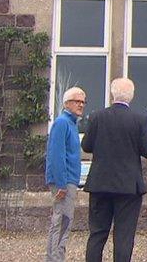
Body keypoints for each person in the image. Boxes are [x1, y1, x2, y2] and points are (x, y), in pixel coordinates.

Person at [83, 77, 147, 262]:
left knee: (97, 234)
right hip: (128, 186)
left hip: (100, 183)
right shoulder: (139, 120)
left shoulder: (96, 116)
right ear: (132, 96)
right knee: (123, 236)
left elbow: (86, 146)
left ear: (112, 94)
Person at [45, 87, 86, 262]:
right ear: (67, 103)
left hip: (70, 181)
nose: (81, 105)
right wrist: (61, 184)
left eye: (83, 102)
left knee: (63, 223)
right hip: (64, 182)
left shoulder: (72, 124)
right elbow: (56, 155)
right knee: (61, 223)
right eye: (77, 101)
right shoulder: (62, 123)